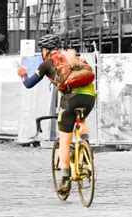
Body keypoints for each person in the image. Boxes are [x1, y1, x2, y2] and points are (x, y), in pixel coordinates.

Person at [17, 34, 97, 194]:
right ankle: (86, 148)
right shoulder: (75, 57)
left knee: (65, 140)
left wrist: (23, 74)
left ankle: (66, 180)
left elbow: (29, 84)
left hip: (70, 99)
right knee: (81, 120)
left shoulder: (47, 62)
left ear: (45, 50)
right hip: (89, 97)